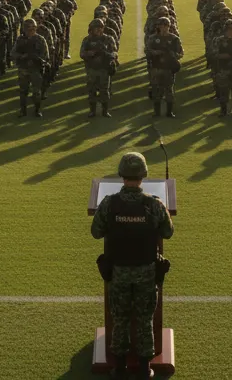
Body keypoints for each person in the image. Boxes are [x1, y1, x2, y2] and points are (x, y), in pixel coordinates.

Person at [90, 152, 174, 380]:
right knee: (145, 318)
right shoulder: (154, 205)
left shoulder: (109, 203)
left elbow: (96, 232)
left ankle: (119, 367)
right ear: (144, 175)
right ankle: (146, 368)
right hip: (146, 271)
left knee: (120, 318)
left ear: (121, 175)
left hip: (118, 271)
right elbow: (168, 232)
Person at [145, 17, 184, 118]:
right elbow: (147, 51)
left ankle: (169, 112)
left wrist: (172, 54)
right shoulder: (153, 38)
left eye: (165, 25)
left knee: (169, 90)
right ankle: (157, 112)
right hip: (156, 68)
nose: (163, 28)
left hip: (168, 68)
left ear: (169, 26)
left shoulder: (174, 39)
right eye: (161, 26)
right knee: (156, 90)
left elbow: (181, 53)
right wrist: (155, 52)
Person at [12, 18, 49, 118]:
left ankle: (37, 110)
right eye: (28, 28)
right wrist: (22, 56)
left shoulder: (40, 39)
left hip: (36, 69)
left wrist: (38, 59)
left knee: (36, 92)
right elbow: (13, 53)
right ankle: (23, 111)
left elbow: (45, 55)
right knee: (23, 91)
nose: (30, 30)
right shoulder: (20, 40)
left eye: (32, 28)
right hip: (23, 69)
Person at [81, 19, 118, 118]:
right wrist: (90, 53)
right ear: (91, 29)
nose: (98, 30)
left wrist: (107, 54)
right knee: (91, 90)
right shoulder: (87, 40)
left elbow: (114, 52)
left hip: (104, 69)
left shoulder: (108, 39)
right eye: (96, 28)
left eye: (100, 28)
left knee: (104, 91)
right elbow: (82, 53)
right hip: (92, 69)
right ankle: (92, 111)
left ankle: (105, 111)